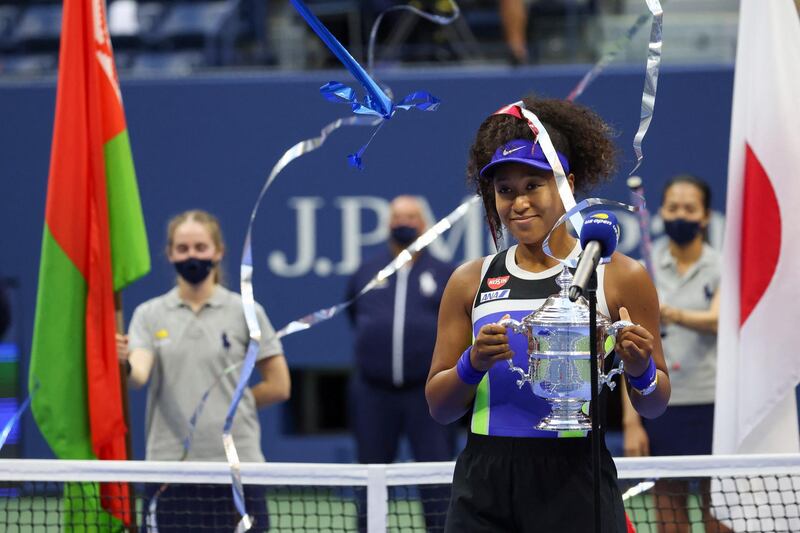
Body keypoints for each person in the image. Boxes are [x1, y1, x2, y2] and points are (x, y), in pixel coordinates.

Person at [425, 95, 671, 532]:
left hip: (577, 476)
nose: (518, 202)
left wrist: (640, 369)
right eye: (505, 190)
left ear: (566, 185)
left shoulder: (621, 277)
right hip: (485, 480)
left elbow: (654, 404)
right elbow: (440, 408)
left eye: (532, 185)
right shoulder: (470, 280)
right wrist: (472, 363)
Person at [118, 209, 290, 532]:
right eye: (182, 249)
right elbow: (137, 375)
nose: (192, 255)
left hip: (238, 468)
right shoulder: (149, 314)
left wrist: (233, 402)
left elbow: (280, 385)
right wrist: (123, 361)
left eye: (200, 247)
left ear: (218, 251)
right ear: (169, 254)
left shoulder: (247, 312)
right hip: (170, 471)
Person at [622, 175, 731, 533]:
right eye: (673, 207)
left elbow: (720, 321)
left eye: (689, 208)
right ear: (661, 213)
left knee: (720, 515)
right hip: (662, 406)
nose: (680, 214)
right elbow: (628, 355)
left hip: (714, 405)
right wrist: (633, 421)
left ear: (704, 217)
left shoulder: (724, 267)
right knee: (669, 516)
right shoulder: (639, 273)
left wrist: (672, 314)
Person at [346, 195, 456, 532]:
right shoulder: (366, 271)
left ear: (424, 225)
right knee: (371, 476)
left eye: (410, 217)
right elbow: (355, 318)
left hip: (427, 395)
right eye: (396, 217)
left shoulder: (445, 273)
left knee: (435, 478)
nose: (402, 223)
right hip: (373, 393)